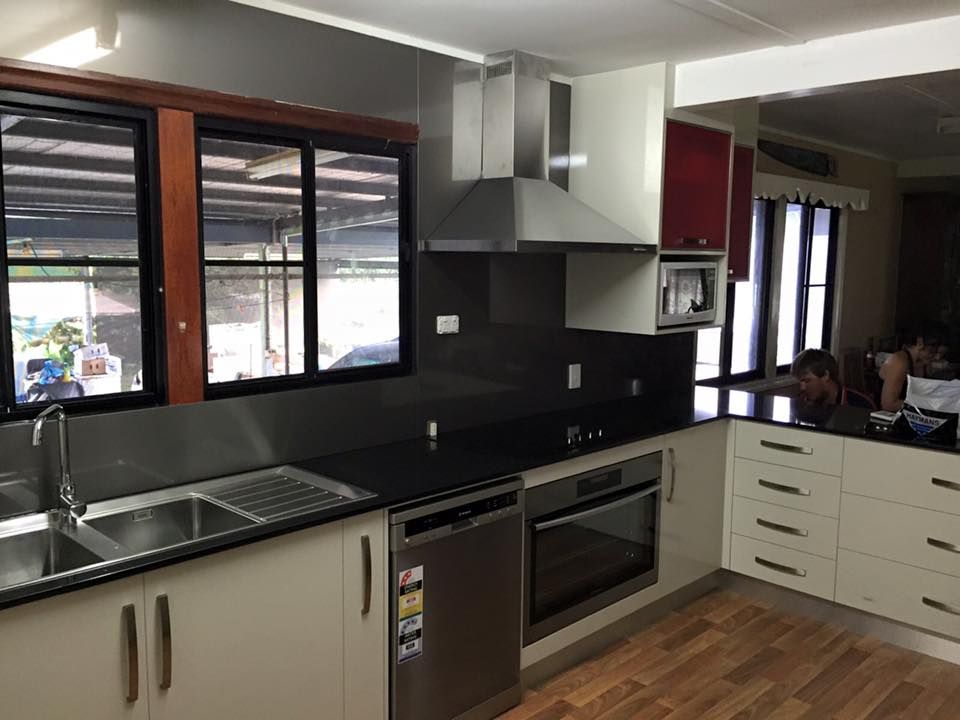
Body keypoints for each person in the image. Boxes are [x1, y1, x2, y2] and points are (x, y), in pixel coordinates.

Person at [878, 326, 944, 412]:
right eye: (932, 351)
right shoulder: (899, 361)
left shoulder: (924, 363)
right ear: (919, 343)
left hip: (908, 414)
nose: (937, 357)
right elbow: (888, 404)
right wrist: (927, 405)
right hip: (885, 415)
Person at [791, 348, 875, 409]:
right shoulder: (802, 403)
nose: (802, 388)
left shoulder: (861, 405)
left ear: (825, 375)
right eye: (800, 382)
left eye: (807, 381)